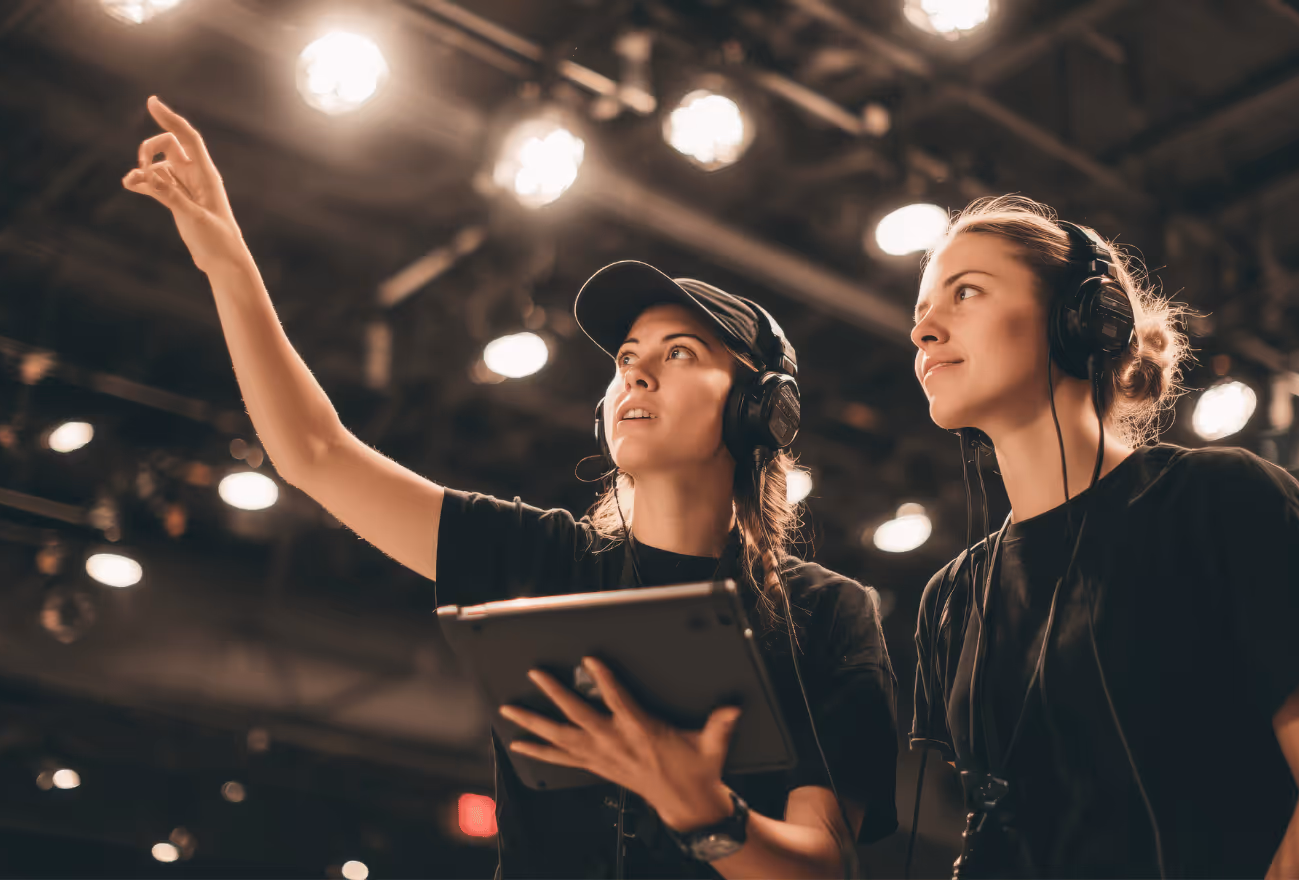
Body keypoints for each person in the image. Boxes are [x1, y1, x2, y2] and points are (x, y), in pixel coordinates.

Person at [122, 95, 898, 879]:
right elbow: (315, 452)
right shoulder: (536, 556)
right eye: (628, 355)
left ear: (763, 411)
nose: (637, 370)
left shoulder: (828, 615)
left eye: (683, 353)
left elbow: (824, 868)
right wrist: (228, 262)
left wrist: (703, 811)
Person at [907, 195, 1299, 879]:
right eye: (921, 310)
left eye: (965, 293)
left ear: (1084, 318)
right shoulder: (950, 600)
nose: (924, 330)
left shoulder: (1223, 501)